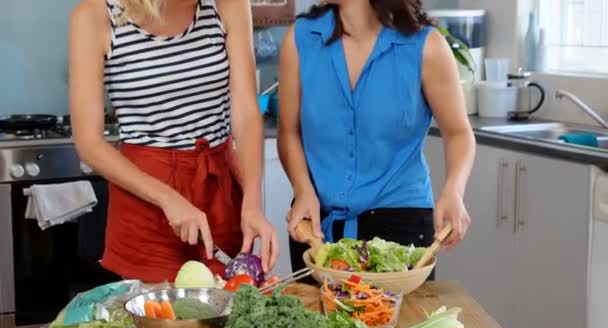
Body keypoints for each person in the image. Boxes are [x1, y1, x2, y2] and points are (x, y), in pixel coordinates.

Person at [69, 0, 278, 282]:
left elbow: (246, 111)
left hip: (219, 193)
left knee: (229, 312)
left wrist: (252, 202)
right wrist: (167, 198)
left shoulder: (227, 5)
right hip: (146, 200)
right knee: (155, 318)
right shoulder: (95, 17)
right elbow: (88, 142)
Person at [278, 0, 476, 274]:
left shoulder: (425, 46)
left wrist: (455, 190)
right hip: (316, 229)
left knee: (406, 318)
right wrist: (302, 189)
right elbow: (288, 132)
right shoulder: (301, 40)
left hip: (401, 228)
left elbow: (459, 134)